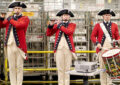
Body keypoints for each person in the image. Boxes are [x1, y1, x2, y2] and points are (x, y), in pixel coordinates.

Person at [0, 2, 29, 85]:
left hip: (20, 46)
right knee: (12, 67)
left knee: (19, 67)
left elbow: (18, 25)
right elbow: (1, 25)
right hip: (9, 45)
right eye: (15, 8)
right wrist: (2, 18)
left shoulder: (25, 18)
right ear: (13, 9)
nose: (17, 10)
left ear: (21, 9)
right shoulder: (10, 18)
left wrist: (10, 19)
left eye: (19, 8)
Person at [46, 9, 77, 85]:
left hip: (68, 49)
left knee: (67, 68)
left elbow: (68, 32)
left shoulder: (72, 25)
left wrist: (59, 25)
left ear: (69, 17)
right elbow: (48, 34)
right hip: (59, 49)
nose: (65, 16)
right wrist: (50, 25)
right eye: (64, 15)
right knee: (60, 69)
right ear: (61, 17)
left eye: (67, 15)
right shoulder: (57, 25)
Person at [91, 9, 120, 85]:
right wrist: (97, 43)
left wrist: (118, 40)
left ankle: (109, 83)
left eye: (109, 15)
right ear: (103, 16)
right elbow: (93, 36)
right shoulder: (98, 25)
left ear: (110, 16)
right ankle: (103, 83)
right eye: (106, 15)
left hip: (111, 49)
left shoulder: (114, 25)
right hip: (102, 49)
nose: (107, 17)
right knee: (103, 69)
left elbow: (117, 37)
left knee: (111, 69)